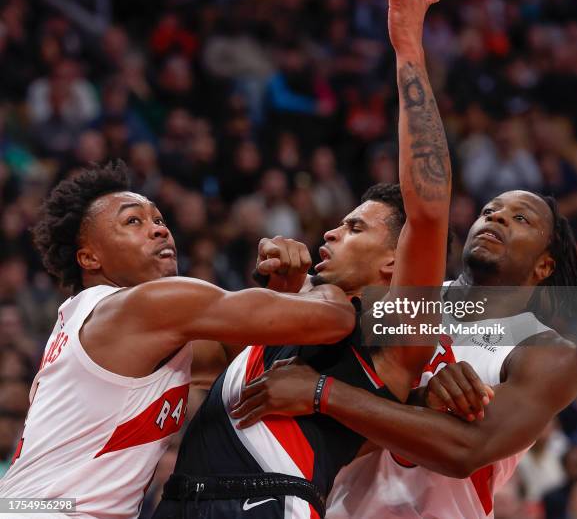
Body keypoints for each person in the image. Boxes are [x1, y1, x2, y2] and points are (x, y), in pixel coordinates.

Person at [152, 0, 451, 519]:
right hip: (180, 501)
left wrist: (407, 46)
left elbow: (430, 206)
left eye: (357, 229)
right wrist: (277, 297)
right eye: (339, 224)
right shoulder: (298, 311)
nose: (331, 234)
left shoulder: (396, 335)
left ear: (395, 263)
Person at [0, 161, 355, 519]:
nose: (158, 230)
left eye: (158, 220)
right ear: (89, 257)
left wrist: (284, 286)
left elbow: (235, 358)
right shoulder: (143, 305)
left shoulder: (99, 321)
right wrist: (321, 283)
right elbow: (333, 320)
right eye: (132, 221)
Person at [231, 188, 577, 519]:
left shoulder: (547, 353)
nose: (496, 218)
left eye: (520, 218)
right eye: (488, 211)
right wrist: (284, 285)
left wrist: (323, 392)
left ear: (544, 266)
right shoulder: (398, 297)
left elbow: (466, 450)